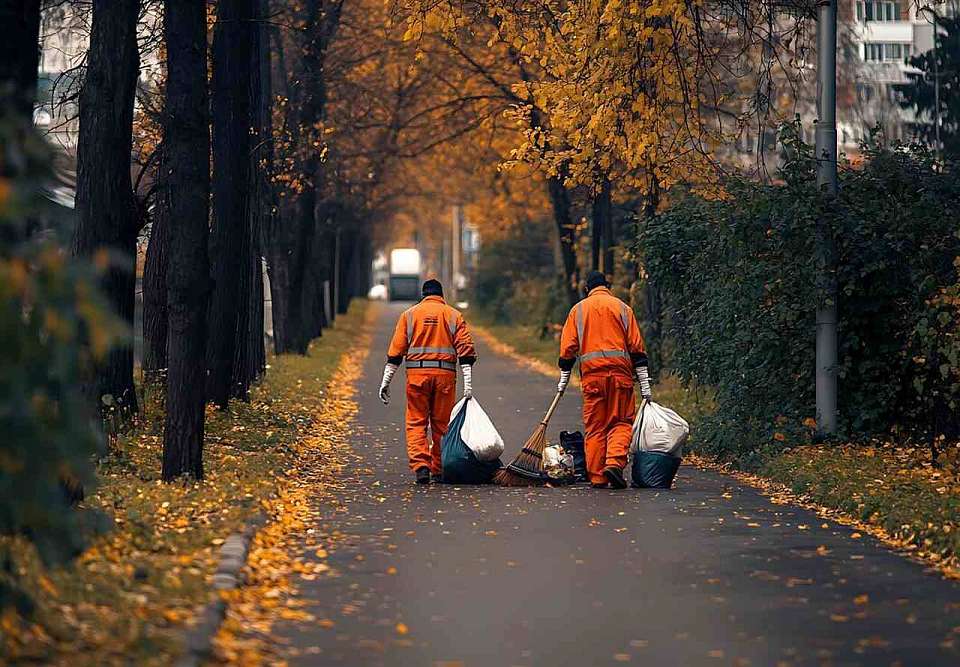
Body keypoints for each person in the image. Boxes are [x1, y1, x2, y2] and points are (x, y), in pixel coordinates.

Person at [557, 271, 651, 489]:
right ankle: (614, 464)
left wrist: (564, 377)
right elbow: (637, 348)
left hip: (593, 379)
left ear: (587, 288)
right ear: (607, 286)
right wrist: (645, 384)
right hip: (621, 377)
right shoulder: (623, 308)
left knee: (596, 426)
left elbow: (568, 348)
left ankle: (598, 476)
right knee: (621, 421)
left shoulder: (578, 310)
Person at [378, 279, 477, 484]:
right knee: (442, 425)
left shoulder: (409, 316)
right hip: (445, 379)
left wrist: (385, 381)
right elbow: (466, 353)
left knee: (416, 422)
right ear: (441, 296)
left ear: (423, 295)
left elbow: (396, 352)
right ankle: (438, 469)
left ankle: (421, 467)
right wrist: (468, 385)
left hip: (417, 378)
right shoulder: (453, 315)